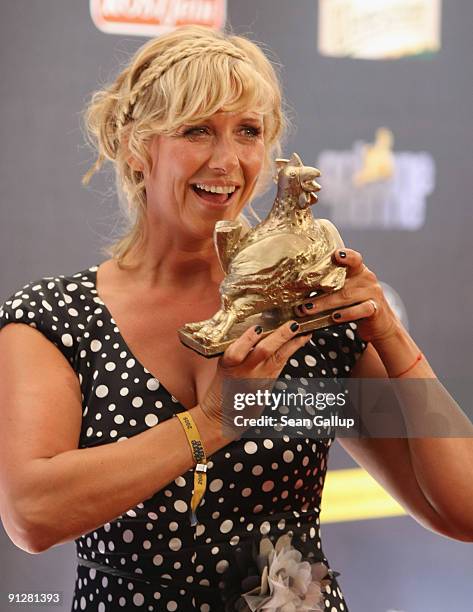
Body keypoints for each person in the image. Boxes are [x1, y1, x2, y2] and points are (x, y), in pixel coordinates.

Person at [0, 25, 472, 612]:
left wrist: (392, 338)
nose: (226, 161)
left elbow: (461, 509)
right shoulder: (55, 318)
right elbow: (33, 514)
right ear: (134, 147)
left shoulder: (305, 313)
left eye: (247, 131)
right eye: (197, 130)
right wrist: (213, 422)